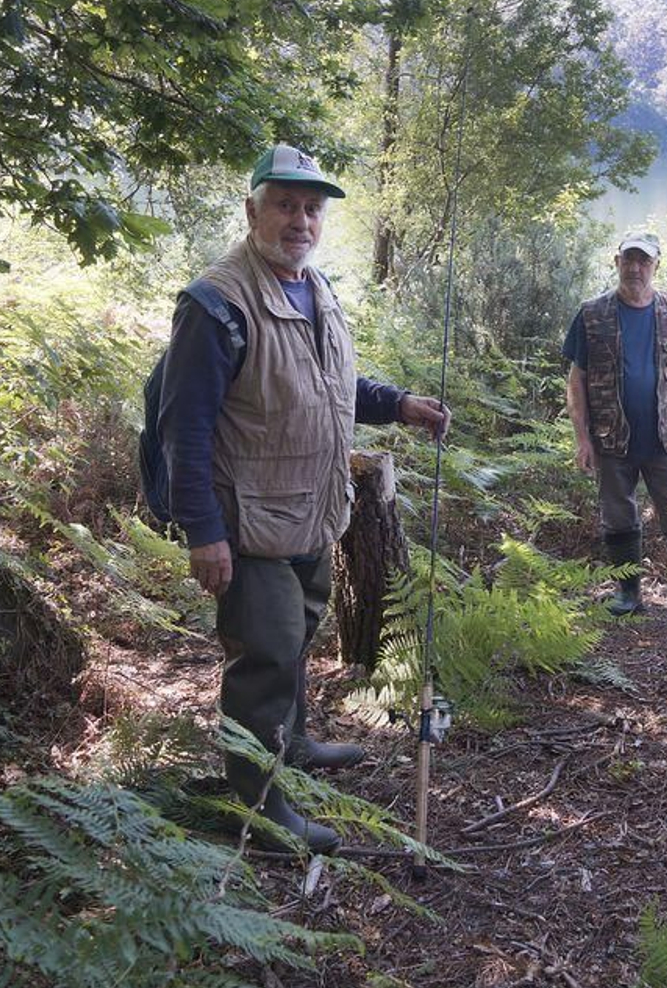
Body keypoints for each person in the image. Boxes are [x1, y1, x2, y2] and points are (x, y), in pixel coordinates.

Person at [159, 144, 450, 854]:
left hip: (310, 511)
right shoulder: (217, 304)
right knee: (262, 656)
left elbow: (327, 385)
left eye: (312, 208)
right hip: (248, 521)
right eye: (285, 204)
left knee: (295, 637)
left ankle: (291, 746)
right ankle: (257, 809)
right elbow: (183, 429)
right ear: (252, 208)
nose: (301, 220)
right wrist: (204, 531)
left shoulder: (311, 286)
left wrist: (399, 404)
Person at [563, 229, 667, 634]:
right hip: (612, 437)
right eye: (628, 259)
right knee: (618, 516)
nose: (635, 268)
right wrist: (582, 439)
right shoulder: (592, 313)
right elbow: (576, 382)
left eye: (643, 260)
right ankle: (628, 594)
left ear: (656, 265)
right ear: (616, 262)